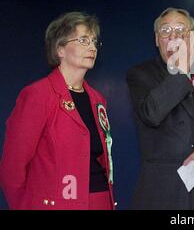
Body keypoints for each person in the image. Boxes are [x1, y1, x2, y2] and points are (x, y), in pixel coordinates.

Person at [0, 12, 115, 210]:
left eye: (94, 41)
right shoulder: (37, 95)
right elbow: (13, 168)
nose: (92, 47)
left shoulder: (98, 99)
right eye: (83, 40)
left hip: (100, 200)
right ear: (60, 48)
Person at [126, 7, 194, 209]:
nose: (174, 36)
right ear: (157, 40)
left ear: (192, 38)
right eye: (165, 31)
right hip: (164, 191)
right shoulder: (140, 74)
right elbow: (152, 113)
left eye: (180, 30)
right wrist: (182, 69)